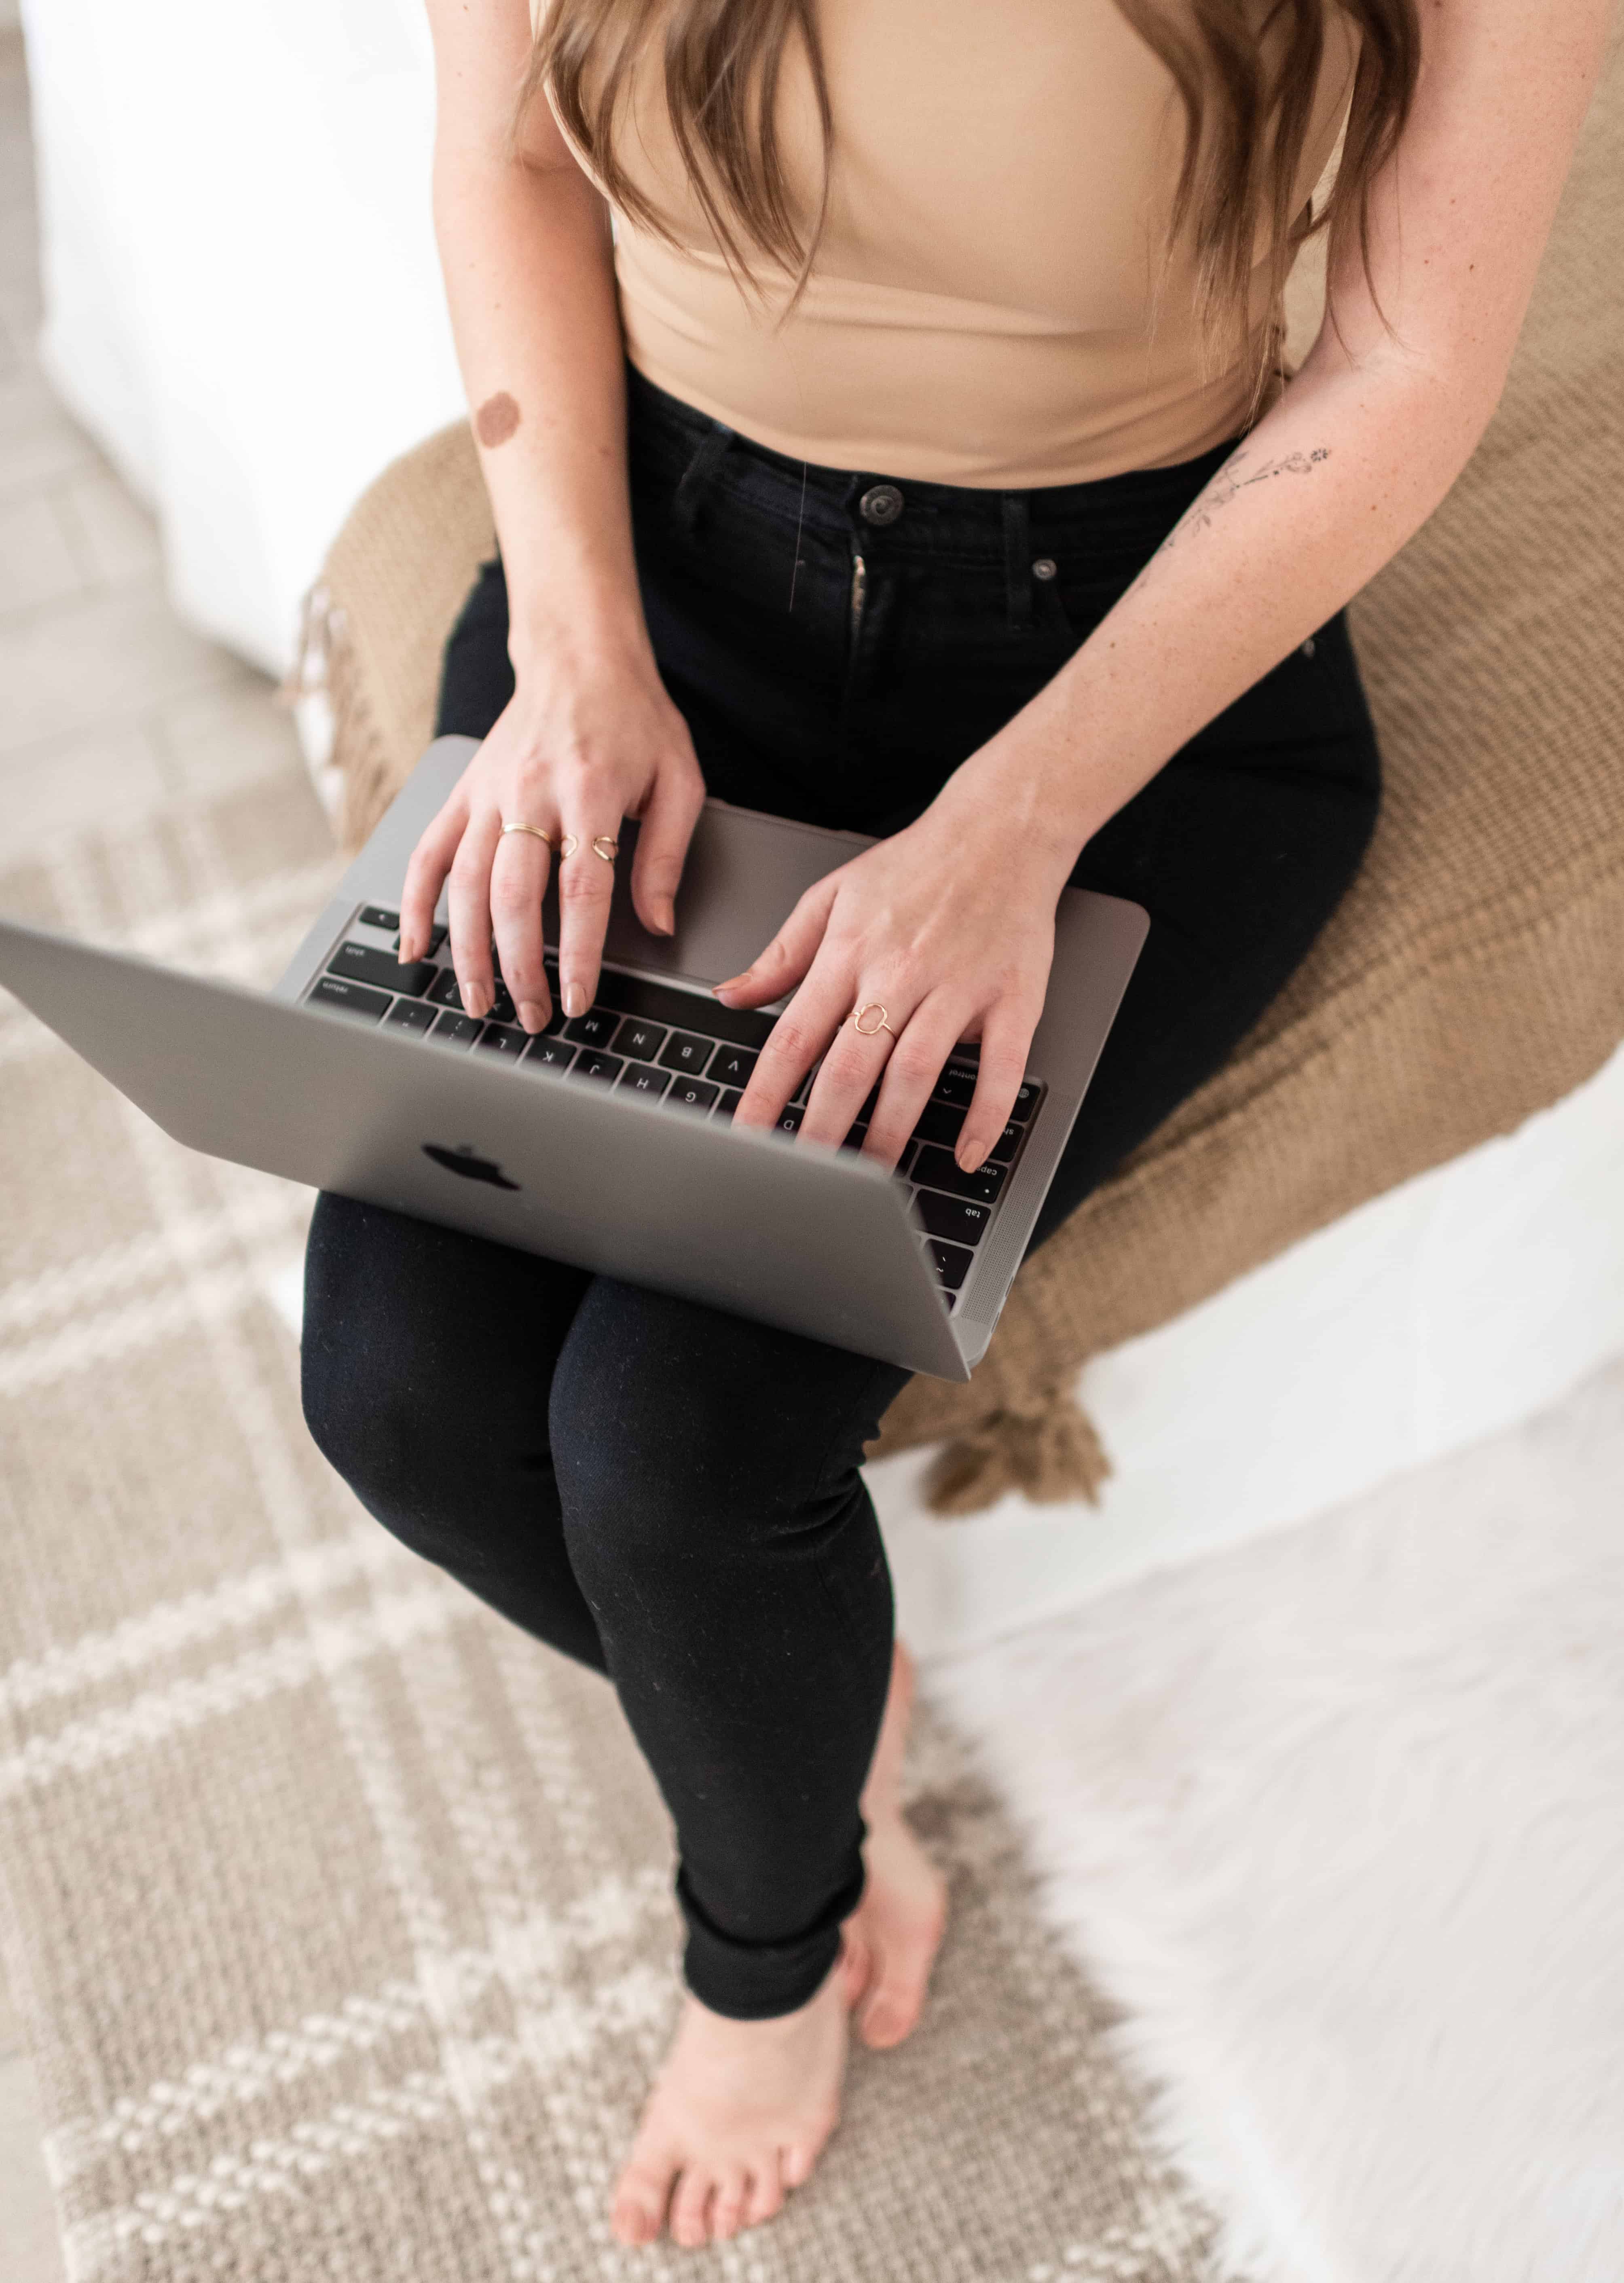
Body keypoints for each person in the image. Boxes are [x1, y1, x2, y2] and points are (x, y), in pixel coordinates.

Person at [299, 0, 1608, 2250]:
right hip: (653, 591)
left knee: (680, 1449)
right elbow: (507, 159)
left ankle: (774, 1937)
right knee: (400, 1390)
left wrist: (1013, 829)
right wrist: (581, 658)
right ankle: (826, 1688)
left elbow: (1403, 364)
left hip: (1126, 669)